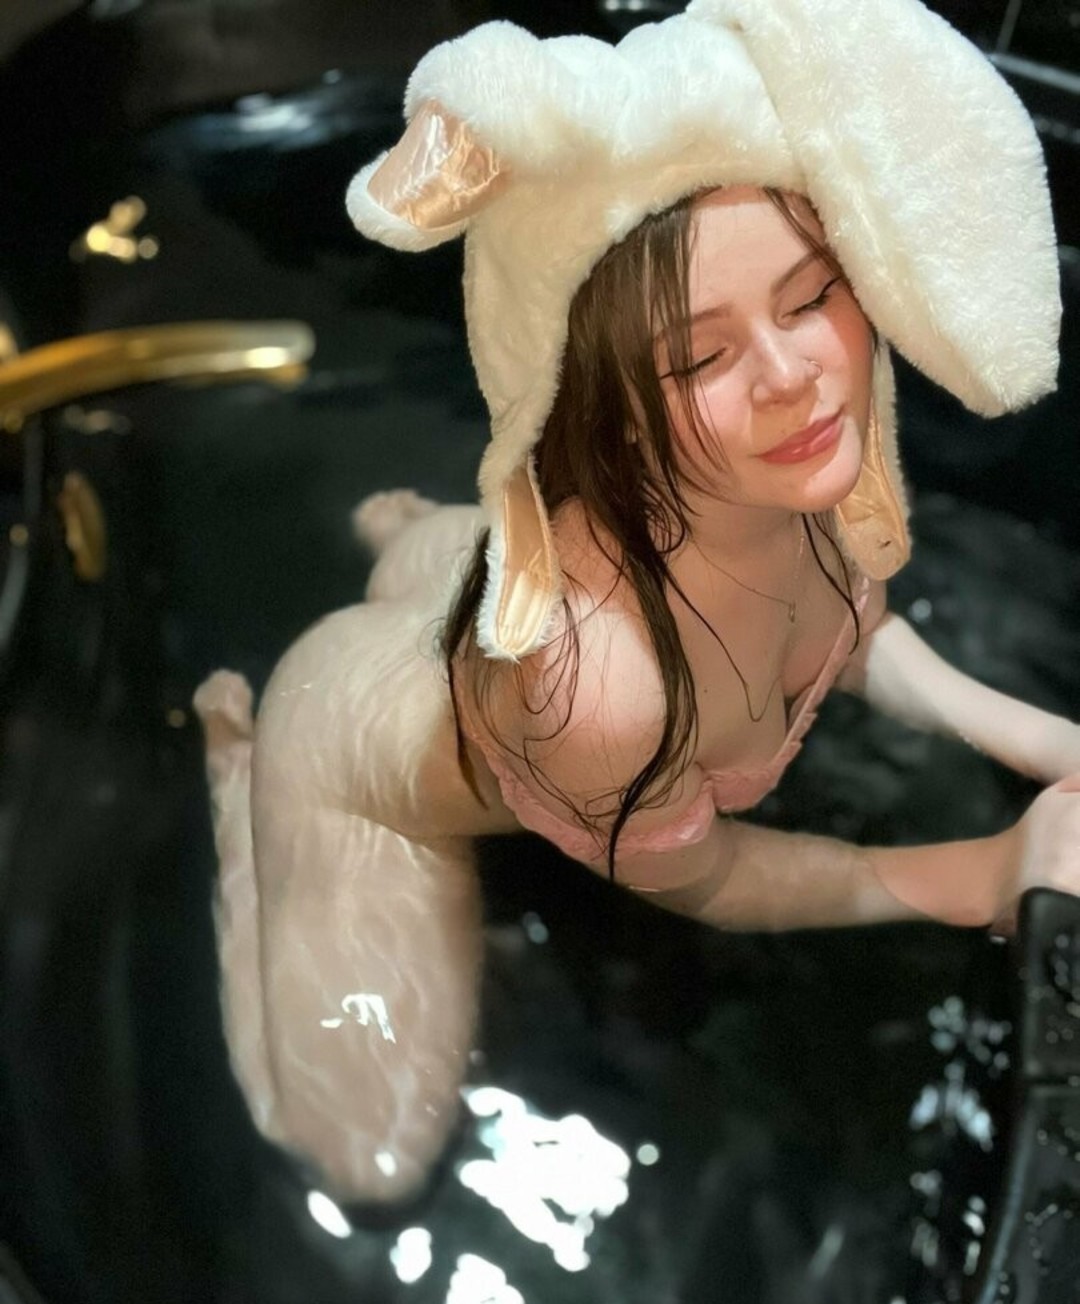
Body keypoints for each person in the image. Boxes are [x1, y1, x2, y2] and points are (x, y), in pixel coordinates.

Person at [194, 0, 1079, 1206]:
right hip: (357, 751)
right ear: (604, 409)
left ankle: (409, 548)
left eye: (810, 295)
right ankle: (244, 776)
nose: (793, 376)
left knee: (482, 582)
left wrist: (1043, 738)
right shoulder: (603, 688)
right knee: (372, 1161)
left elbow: (850, 627)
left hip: (493, 601)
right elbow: (705, 877)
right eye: (701, 357)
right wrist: (979, 871)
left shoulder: (812, 462)